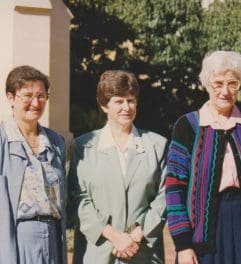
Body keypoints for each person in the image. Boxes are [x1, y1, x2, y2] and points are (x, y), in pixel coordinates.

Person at [165, 51, 241, 264]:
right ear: (206, 84)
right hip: (202, 235)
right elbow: (174, 187)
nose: (225, 91)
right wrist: (183, 245)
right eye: (218, 83)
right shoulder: (188, 127)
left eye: (232, 83)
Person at [0, 65, 67, 264]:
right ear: (10, 98)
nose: (35, 102)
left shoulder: (56, 143)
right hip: (10, 243)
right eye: (27, 95)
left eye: (41, 95)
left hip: (51, 243)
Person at [69, 70, 168, 263]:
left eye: (130, 100)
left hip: (143, 253)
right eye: (118, 101)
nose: (126, 107)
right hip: (96, 253)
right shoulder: (83, 147)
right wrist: (115, 237)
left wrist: (135, 237)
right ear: (104, 105)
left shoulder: (158, 145)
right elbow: (78, 199)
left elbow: (164, 197)